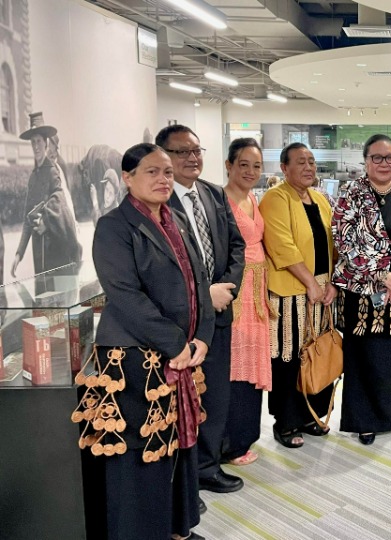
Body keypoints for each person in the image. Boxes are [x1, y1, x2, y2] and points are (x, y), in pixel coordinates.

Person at [80, 143, 213, 540]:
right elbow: (125, 295)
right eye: (152, 172)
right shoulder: (114, 227)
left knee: (178, 447)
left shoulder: (174, 220)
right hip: (136, 361)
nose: (163, 179)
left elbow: (198, 283)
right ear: (127, 177)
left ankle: (175, 528)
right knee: (143, 453)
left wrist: (202, 336)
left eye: (168, 172)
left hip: (181, 355)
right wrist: (178, 345)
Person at [158, 125, 246, 496]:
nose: (192, 158)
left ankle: (208, 468)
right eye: (181, 153)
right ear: (163, 157)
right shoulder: (158, 203)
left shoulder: (212, 194)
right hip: (180, 326)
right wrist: (202, 295)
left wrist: (226, 289)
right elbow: (162, 269)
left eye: (197, 151)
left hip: (219, 318)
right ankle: (184, 484)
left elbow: (236, 246)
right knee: (181, 405)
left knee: (216, 399)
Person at [332, 134, 391, 445]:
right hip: (364, 293)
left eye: (389, 157)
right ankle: (366, 421)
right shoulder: (350, 194)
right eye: (377, 158)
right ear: (366, 161)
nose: (384, 164)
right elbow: (344, 242)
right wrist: (381, 275)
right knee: (366, 359)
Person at [260, 142, 338, 449]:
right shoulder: (274, 198)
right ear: (284, 168)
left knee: (316, 352)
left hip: (320, 289)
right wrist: (310, 282)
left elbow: (331, 244)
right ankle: (287, 421)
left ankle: (312, 414)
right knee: (288, 356)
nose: (308, 167)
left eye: (311, 162)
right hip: (290, 290)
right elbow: (283, 246)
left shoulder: (319, 199)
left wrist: (331, 282)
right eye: (300, 162)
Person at [220, 138, 268, 466]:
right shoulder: (219, 201)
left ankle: (245, 435)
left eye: (256, 166)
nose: (250, 171)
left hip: (258, 294)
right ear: (229, 166)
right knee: (232, 366)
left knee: (252, 364)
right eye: (243, 165)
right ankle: (228, 443)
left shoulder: (253, 198)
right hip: (236, 293)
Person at [11, 112, 82, 290]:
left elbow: (60, 200)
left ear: (46, 143)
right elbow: (28, 218)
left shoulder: (52, 171)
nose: (36, 146)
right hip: (38, 249)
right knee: (42, 299)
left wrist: (46, 222)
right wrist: (19, 253)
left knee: (56, 298)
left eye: (39, 142)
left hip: (55, 246)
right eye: (33, 142)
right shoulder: (33, 177)